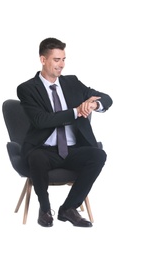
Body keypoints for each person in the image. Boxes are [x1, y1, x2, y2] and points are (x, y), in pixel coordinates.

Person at [17, 37, 113, 228]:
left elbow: (107, 98)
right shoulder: (27, 89)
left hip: (72, 149)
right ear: (43, 60)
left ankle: (68, 209)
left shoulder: (72, 82)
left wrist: (93, 104)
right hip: (43, 149)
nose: (61, 65)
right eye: (56, 60)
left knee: (98, 155)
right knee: (36, 158)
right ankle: (44, 209)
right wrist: (76, 111)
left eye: (63, 59)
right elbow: (41, 120)